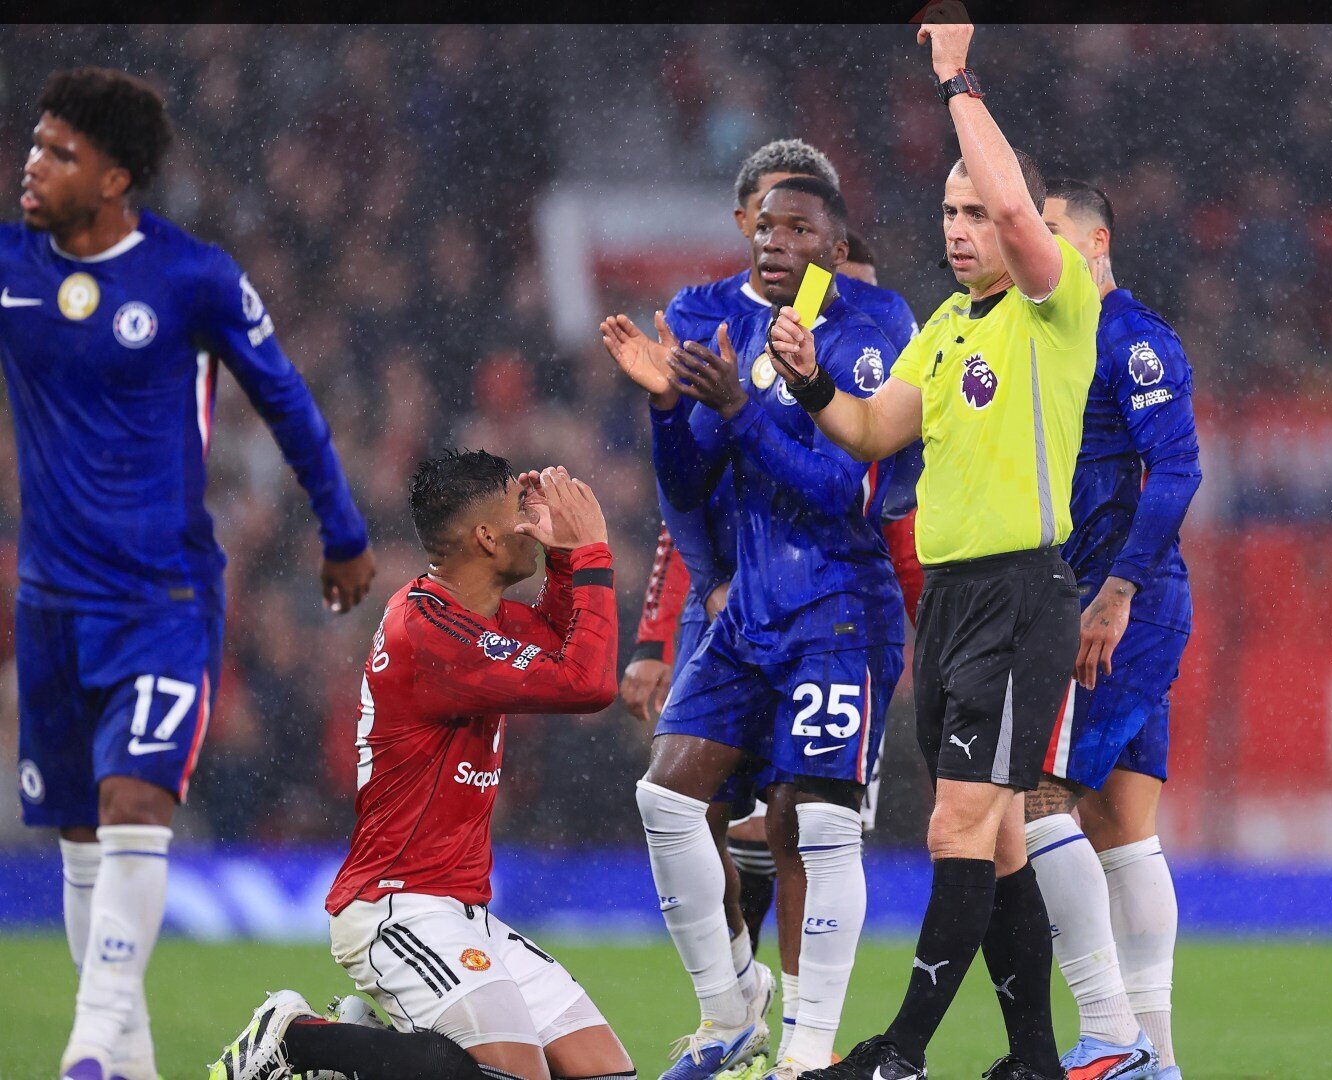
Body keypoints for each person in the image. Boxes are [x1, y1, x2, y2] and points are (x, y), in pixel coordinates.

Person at [0, 67, 377, 1080]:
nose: (33, 164)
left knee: (135, 804)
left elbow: (286, 399)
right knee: (80, 832)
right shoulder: (11, 268)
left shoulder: (191, 278)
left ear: (114, 178)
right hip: (49, 608)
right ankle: (127, 1057)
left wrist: (342, 531)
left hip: (162, 600)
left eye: (60, 152)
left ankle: (89, 1046)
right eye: (34, 144)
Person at [770, 7, 1099, 1078]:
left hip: (1019, 596)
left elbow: (1012, 198)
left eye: (976, 212)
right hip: (949, 603)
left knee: (957, 827)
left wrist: (957, 82)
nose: (961, 228)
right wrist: (809, 379)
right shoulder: (946, 327)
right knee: (993, 842)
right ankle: (1034, 1060)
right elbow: (873, 431)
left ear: (1018, 225)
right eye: (948, 213)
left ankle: (899, 1052)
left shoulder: (1053, 306)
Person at [603, 177, 906, 1080]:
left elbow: (841, 491)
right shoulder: (737, 331)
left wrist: (740, 410)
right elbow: (688, 484)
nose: (774, 241)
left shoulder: (867, 334)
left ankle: (807, 1051)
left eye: (798, 228)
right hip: (748, 615)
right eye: (765, 226)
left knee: (814, 825)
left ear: (835, 247)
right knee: (666, 799)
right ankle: (732, 1007)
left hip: (838, 612)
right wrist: (666, 407)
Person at [212, 454, 629, 1080]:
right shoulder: (428, 631)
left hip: (462, 910)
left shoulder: (477, 618)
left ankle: (362, 1045)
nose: (533, 523)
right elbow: (586, 682)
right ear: (486, 537)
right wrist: (592, 553)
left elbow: (563, 642)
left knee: (603, 1074)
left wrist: (567, 561)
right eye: (520, 512)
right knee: (512, 1077)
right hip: (397, 904)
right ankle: (297, 1041)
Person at [1030, 179, 1202, 1080]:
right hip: (1100, 600)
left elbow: (1177, 469)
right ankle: (1155, 1059)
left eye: (1050, 228)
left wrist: (1119, 589)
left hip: (1117, 606)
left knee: (1034, 801)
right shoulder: (1051, 331)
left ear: (1096, 243)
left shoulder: (1131, 338)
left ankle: (1109, 1034)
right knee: (1120, 822)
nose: (1035, 241)